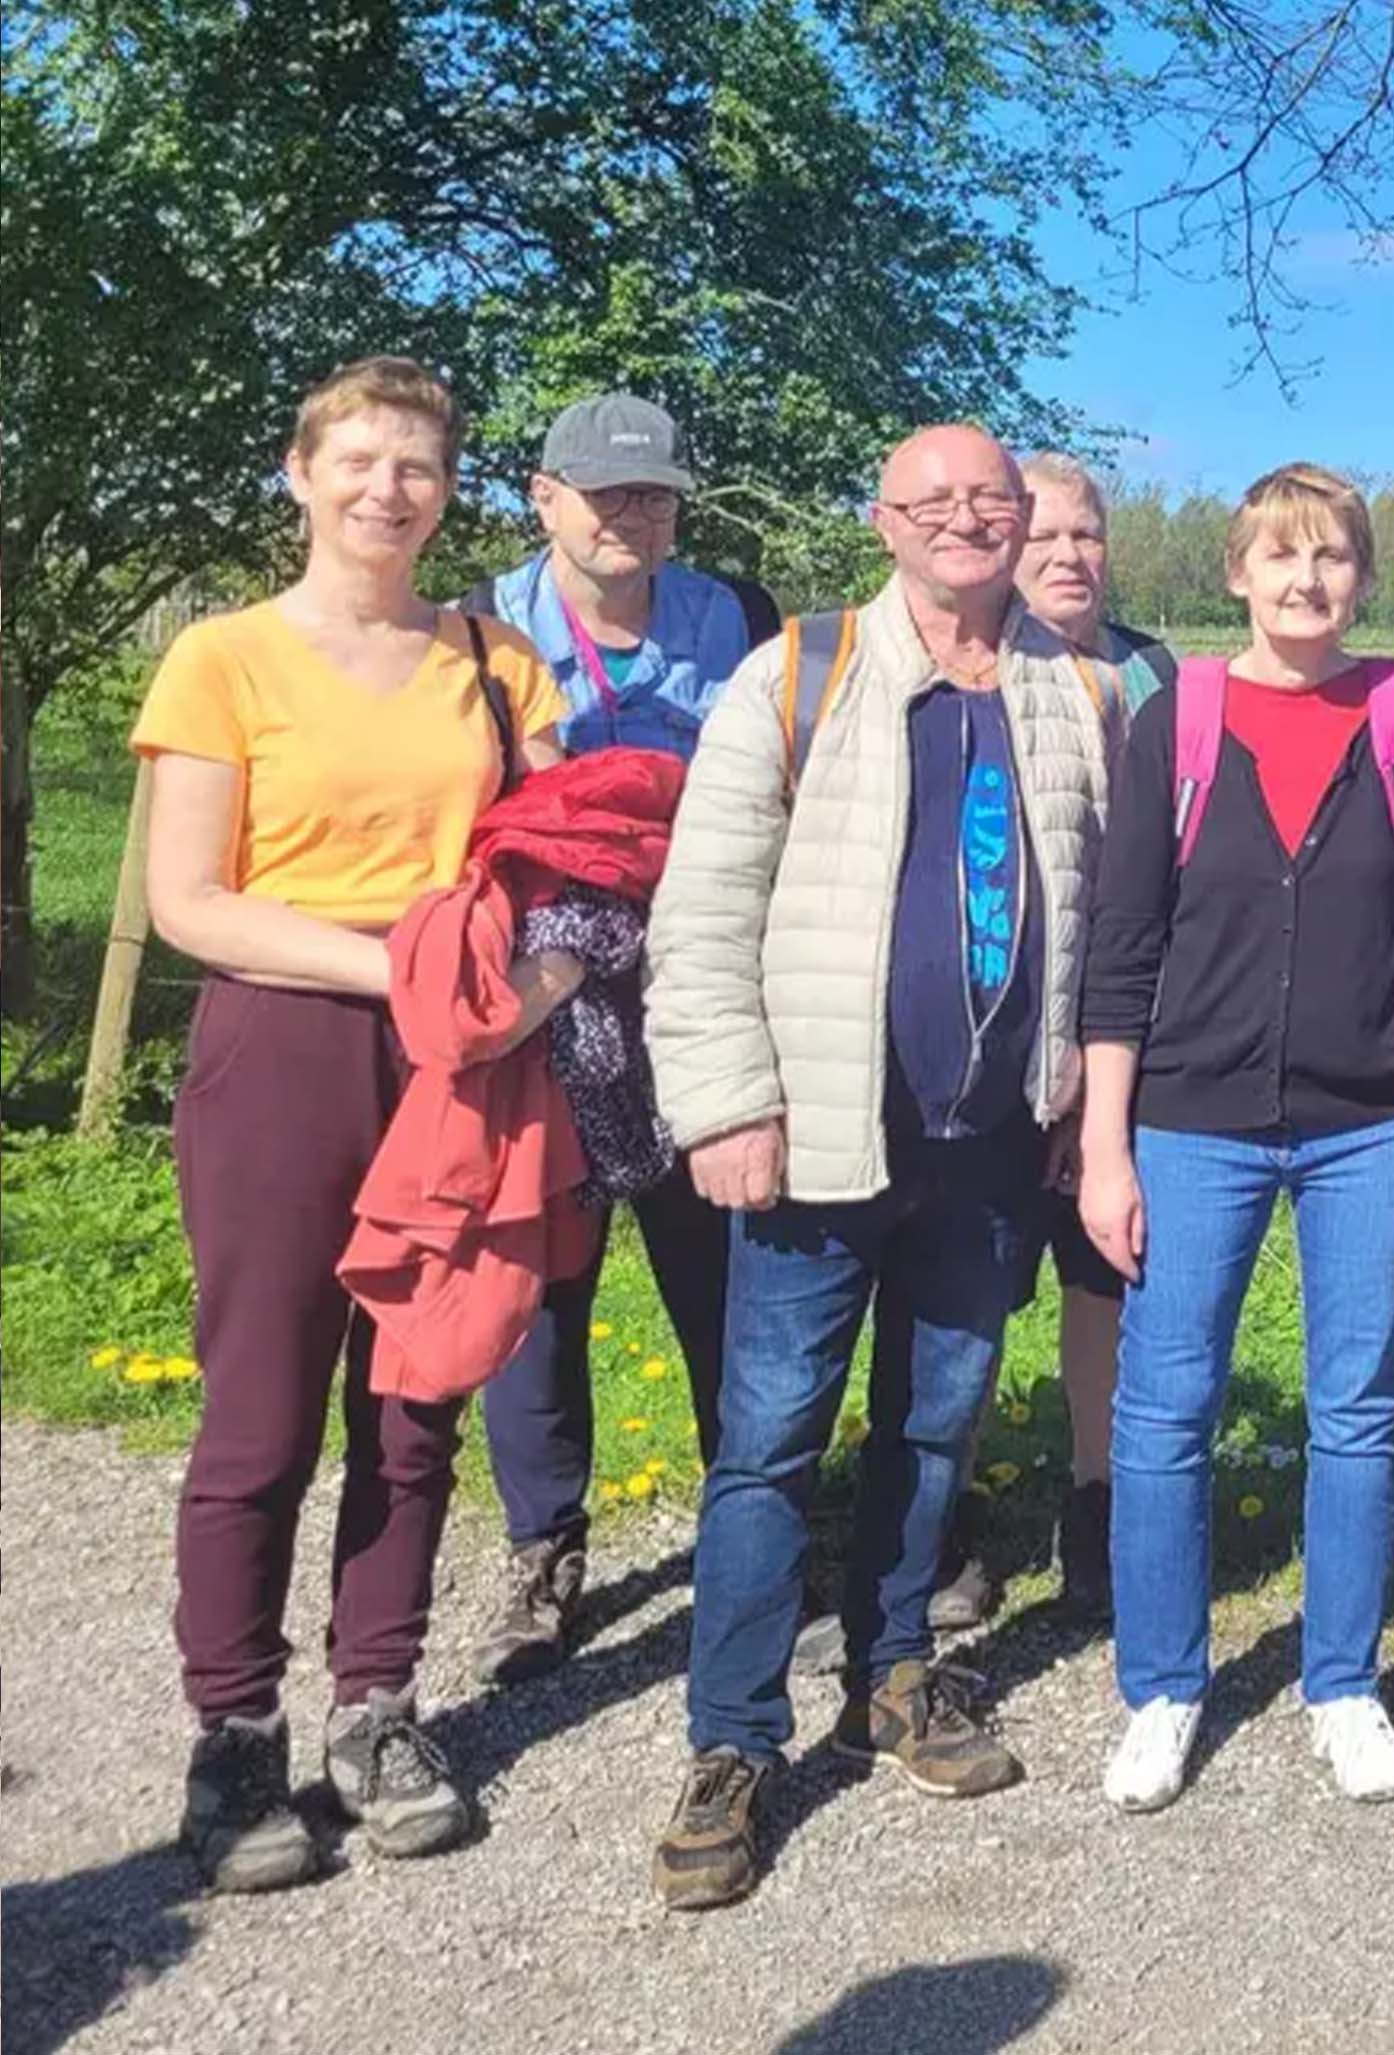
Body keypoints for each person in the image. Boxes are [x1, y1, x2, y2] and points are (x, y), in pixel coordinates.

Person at [642, 424, 1125, 1911]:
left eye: (995, 499)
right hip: (820, 1139)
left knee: (936, 1424)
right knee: (769, 1439)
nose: (970, 521)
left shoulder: (1074, 688)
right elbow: (703, 908)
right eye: (938, 502)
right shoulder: (797, 672)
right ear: (887, 522)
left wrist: (1067, 1092)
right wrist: (725, 1105)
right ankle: (731, 1740)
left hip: (984, 1143)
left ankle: (895, 1672)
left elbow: (1101, 921)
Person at [137, 356, 572, 1891]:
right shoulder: (224, 657)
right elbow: (189, 898)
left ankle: (376, 1706)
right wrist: (402, 970)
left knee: (418, 1394)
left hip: (459, 1058)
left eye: (419, 466)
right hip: (288, 1040)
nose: (391, 489)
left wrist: (539, 982)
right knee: (260, 1409)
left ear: (449, 490)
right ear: (301, 470)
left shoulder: (494, 658)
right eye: (362, 460)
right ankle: (235, 1729)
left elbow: (566, 860)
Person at [1079, 462, 1394, 1813]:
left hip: (1375, 1123)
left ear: (1363, 577)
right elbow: (1123, 946)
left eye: (1332, 558)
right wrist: (1104, 1143)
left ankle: (1342, 1679)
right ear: (1237, 572)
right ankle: (1165, 1685)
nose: (1306, 580)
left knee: (1360, 1405)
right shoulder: (1176, 720)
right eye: (1281, 556)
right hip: (1191, 1120)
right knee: (1165, 1403)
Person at [461, 391, 769, 1685]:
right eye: (604, 494)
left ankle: (751, 1525)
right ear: (543, 497)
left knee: (728, 1278)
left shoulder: (739, 618)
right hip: (550, 995)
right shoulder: (483, 628)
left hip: (699, 984)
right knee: (540, 1285)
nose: (632, 515)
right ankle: (546, 1548)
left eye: (653, 494)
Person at [909, 448, 1185, 1631]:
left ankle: (1097, 1508)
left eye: (1090, 537)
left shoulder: (1158, 677)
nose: (1071, 557)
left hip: (1119, 1039)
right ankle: (944, 1521)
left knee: (1101, 1276)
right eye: (1048, 536)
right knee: (961, 1286)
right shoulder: (965, 670)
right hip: (987, 1039)